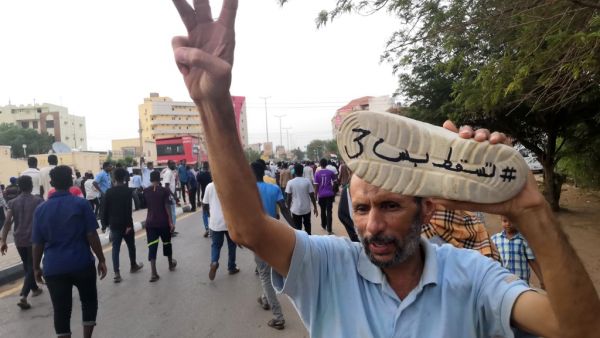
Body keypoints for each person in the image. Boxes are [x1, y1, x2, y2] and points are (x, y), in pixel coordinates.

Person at [170, 2, 600, 337]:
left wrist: (529, 209)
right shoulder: (327, 268)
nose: (372, 225)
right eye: (360, 209)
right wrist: (214, 104)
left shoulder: (473, 276)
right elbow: (247, 228)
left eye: (390, 205)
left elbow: (578, 328)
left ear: (427, 209)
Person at [32, 165, 107, 338]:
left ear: (51, 183)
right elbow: (91, 235)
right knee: (88, 302)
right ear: (71, 181)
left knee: (61, 310)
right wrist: (101, 259)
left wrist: (36, 267)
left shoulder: (41, 210)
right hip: (82, 263)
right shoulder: (81, 204)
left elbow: (37, 244)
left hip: (54, 267)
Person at [251, 161, 292, 330]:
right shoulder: (274, 189)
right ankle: (265, 298)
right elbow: (283, 209)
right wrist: (296, 227)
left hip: (258, 238)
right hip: (274, 235)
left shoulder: (248, 191)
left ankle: (278, 317)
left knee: (265, 276)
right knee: (271, 272)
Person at [0, 175, 44, 310]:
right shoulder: (38, 201)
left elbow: (7, 222)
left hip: (19, 239)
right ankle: (23, 296)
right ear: (31, 186)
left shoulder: (13, 202)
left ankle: (35, 289)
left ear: (19, 187)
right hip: (34, 239)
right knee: (32, 265)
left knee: (27, 264)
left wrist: (3, 240)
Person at [102, 168, 144, 283]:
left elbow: (104, 209)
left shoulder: (108, 192)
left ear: (114, 178)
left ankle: (116, 273)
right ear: (125, 178)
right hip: (126, 224)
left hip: (114, 224)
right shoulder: (128, 191)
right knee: (131, 245)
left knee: (115, 248)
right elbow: (130, 209)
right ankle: (133, 265)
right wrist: (129, 225)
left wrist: (104, 225)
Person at [143, 171, 177, 282]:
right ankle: (170, 264)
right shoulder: (164, 191)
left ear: (150, 179)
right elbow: (167, 206)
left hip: (150, 223)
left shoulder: (146, 191)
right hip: (163, 222)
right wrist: (171, 222)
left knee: (152, 246)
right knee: (167, 243)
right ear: (159, 179)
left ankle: (153, 273)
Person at [492, 216, 544, 288]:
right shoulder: (495, 239)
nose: (508, 224)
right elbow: (491, 260)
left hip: (520, 282)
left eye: (511, 221)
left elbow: (532, 261)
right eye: (505, 221)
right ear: (501, 220)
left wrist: (542, 281)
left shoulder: (524, 239)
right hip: (502, 281)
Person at [202, 181, 239, 280]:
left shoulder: (209, 186)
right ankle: (231, 267)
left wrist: (209, 214)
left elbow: (204, 205)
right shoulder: (230, 185)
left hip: (215, 222)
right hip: (229, 221)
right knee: (232, 245)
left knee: (216, 245)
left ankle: (214, 262)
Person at [285, 163, 318, 235]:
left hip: (295, 209)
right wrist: (315, 207)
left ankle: (300, 243)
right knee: (308, 226)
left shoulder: (290, 182)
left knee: (297, 229)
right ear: (302, 171)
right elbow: (312, 196)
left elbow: (288, 198)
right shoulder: (307, 181)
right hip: (306, 209)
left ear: (294, 172)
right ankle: (309, 241)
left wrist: (287, 209)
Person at [314, 158, 336, 234]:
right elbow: (335, 182)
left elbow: (316, 187)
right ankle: (329, 229)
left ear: (320, 164)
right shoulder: (331, 172)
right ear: (326, 164)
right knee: (329, 211)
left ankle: (323, 225)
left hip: (321, 195)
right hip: (329, 194)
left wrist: (315, 196)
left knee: (323, 210)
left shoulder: (317, 173)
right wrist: (332, 189)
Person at [93, 162, 113, 231]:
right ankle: (104, 226)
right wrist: (102, 192)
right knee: (103, 211)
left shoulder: (108, 174)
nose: (111, 167)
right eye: (110, 166)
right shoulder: (101, 174)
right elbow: (94, 183)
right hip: (104, 195)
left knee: (109, 210)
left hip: (109, 195)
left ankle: (108, 224)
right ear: (105, 167)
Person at [162, 160, 179, 236]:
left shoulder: (171, 172)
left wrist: (175, 195)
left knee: (173, 214)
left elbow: (172, 186)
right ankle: (170, 230)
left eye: (174, 163)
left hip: (171, 196)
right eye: (173, 164)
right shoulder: (168, 173)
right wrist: (172, 196)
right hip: (168, 196)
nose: (174, 165)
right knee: (171, 215)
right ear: (168, 164)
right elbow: (166, 186)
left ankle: (172, 229)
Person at [196, 162, 212, 237]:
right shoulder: (211, 175)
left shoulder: (200, 175)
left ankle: (207, 229)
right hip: (212, 197)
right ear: (208, 167)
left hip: (204, 197)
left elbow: (198, 188)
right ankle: (213, 229)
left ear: (202, 167)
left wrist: (198, 199)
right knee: (212, 213)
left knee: (205, 214)